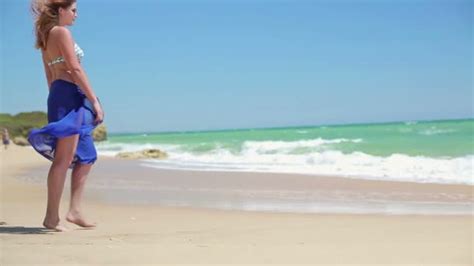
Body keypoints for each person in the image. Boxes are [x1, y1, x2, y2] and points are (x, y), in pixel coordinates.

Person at [29, 0, 104, 232]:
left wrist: (61, 98)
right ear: (60, 11)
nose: (76, 15)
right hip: (69, 95)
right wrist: (94, 100)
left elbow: (49, 76)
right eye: (73, 10)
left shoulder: (45, 39)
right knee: (63, 159)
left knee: (86, 155)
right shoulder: (61, 32)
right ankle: (51, 217)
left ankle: (75, 210)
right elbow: (75, 68)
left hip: (64, 94)